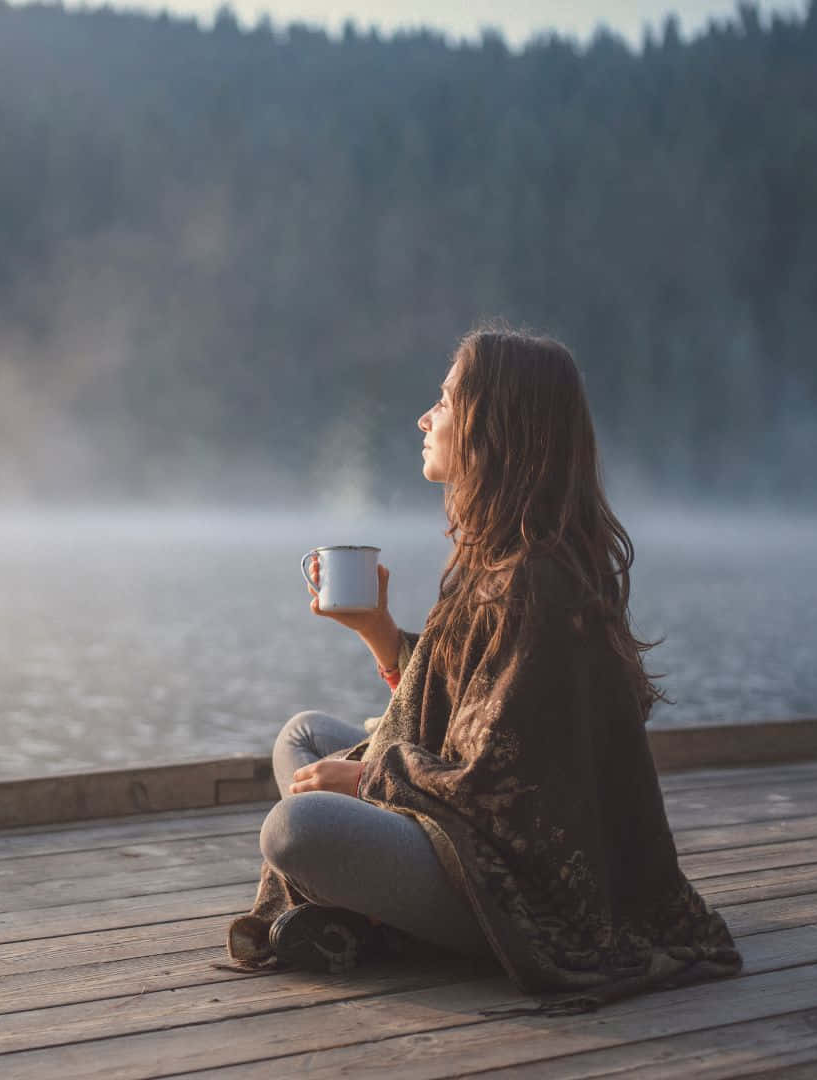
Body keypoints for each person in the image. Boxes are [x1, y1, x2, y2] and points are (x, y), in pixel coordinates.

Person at [221, 322, 742, 1011]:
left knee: (297, 829)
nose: (424, 417)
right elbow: (461, 711)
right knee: (304, 737)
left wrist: (371, 778)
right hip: (465, 828)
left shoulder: (538, 581)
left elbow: (504, 786)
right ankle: (361, 910)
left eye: (444, 400)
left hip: (524, 886)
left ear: (494, 425)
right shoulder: (498, 558)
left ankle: (372, 919)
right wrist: (377, 631)